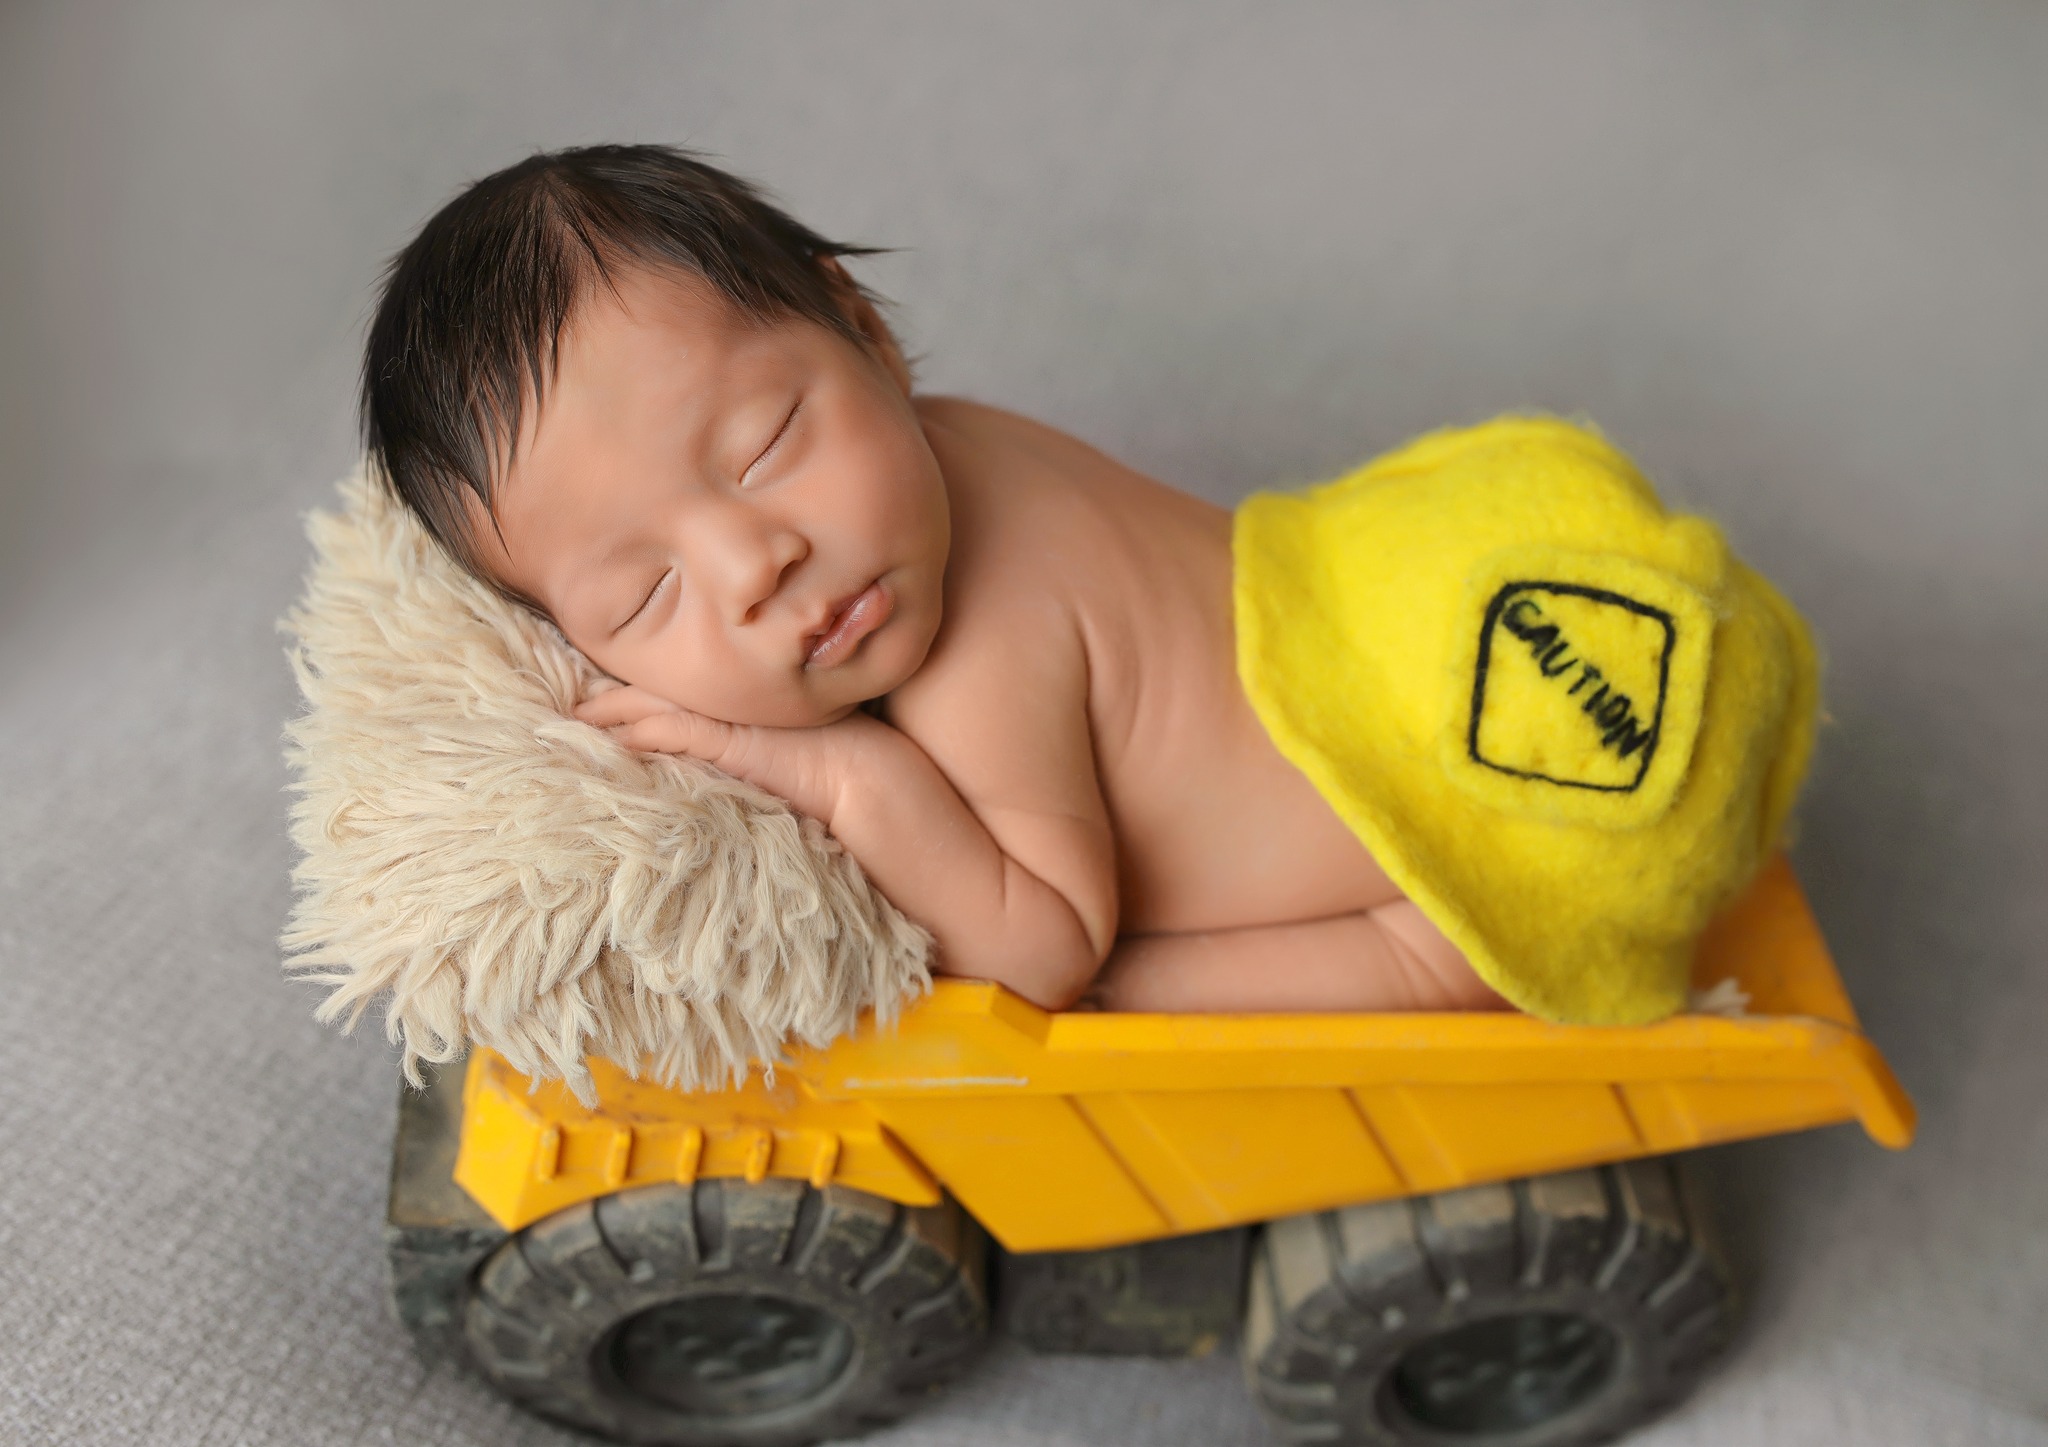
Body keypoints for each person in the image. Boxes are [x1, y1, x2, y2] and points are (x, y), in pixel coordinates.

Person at [361, 144, 1815, 1022]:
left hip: (1494, 780)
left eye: (766, 444)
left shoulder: (980, 656)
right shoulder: (953, 447)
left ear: (865, 327)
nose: (757, 565)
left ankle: (1482, 928)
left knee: (1388, 959)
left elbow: (1048, 942)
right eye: (642, 602)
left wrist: (851, 786)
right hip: (1383, 573)